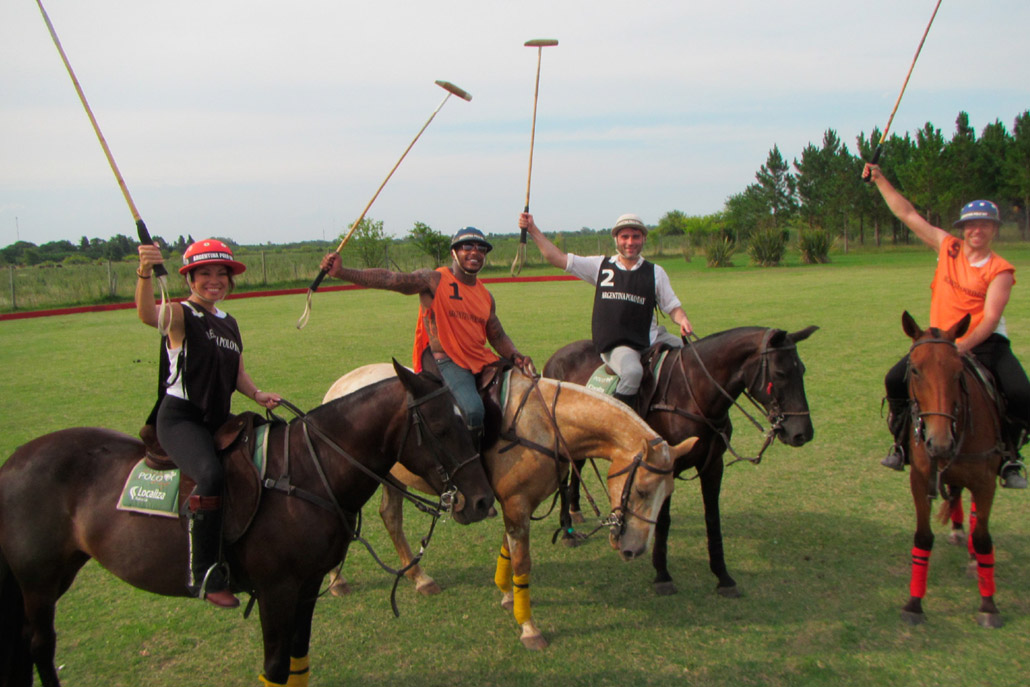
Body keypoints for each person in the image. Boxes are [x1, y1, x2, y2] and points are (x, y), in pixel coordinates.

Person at [864, 163, 1029, 489]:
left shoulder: (1001, 270)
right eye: (971, 225)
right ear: (963, 228)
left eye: (984, 225)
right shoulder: (948, 247)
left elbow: (991, 319)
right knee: (895, 379)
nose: (976, 231)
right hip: (938, 341)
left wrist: (960, 347)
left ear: (994, 229)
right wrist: (880, 179)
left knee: (1022, 393)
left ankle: (1010, 457)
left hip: (986, 343)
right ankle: (900, 444)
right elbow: (908, 215)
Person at [136, 239, 282, 607]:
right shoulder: (183, 314)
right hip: (181, 418)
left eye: (222, 273)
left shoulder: (228, 322)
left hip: (217, 419)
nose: (214, 280)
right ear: (190, 279)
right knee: (211, 475)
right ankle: (202, 571)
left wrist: (258, 394)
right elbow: (148, 315)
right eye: (205, 274)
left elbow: (238, 373)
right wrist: (143, 272)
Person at [319, 227, 532, 448]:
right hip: (447, 361)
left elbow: (497, 335)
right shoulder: (434, 279)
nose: (475, 252)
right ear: (453, 253)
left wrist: (516, 355)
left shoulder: (485, 295)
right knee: (473, 410)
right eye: (467, 246)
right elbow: (390, 279)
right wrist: (343, 272)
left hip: (480, 359)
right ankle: (467, 467)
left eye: (481, 248)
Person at [519, 211, 693, 408]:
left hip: (652, 338)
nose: (630, 242)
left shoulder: (655, 272)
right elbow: (558, 258)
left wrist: (683, 320)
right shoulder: (601, 266)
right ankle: (618, 425)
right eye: (624, 237)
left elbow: (673, 308)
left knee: (694, 355)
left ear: (644, 238)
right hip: (619, 344)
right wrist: (532, 230)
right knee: (632, 373)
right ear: (616, 239)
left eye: (636, 236)